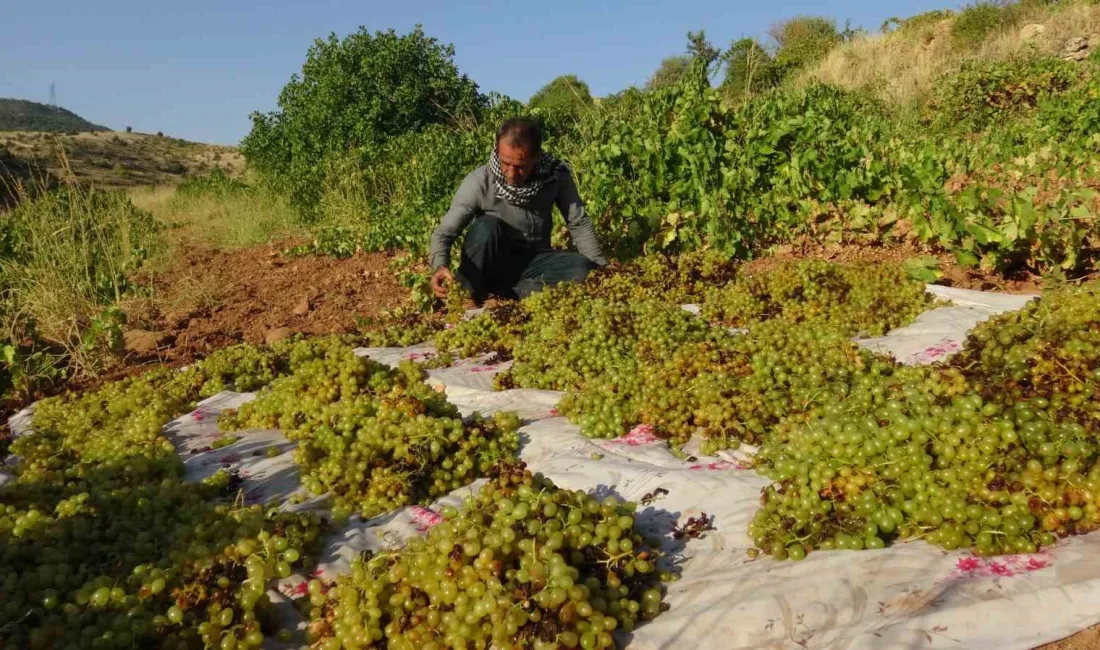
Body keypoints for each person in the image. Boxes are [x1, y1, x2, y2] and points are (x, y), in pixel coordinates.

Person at [428, 117, 608, 302]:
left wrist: (601, 270)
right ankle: (470, 295)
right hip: (492, 265)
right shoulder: (479, 182)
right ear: (498, 151)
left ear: (536, 156)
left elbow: (578, 222)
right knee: (485, 226)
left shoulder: (555, 176)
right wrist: (440, 266)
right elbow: (444, 233)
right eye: (505, 163)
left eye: (520, 166)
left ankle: (511, 294)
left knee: (583, 269)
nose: (511, 174)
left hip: (535, 262)